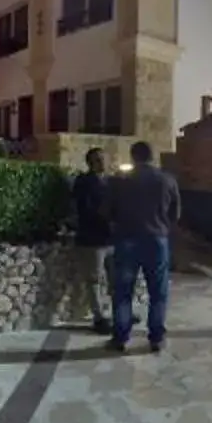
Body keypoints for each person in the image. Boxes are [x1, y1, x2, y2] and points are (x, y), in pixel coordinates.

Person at [107, 139, 181, 352]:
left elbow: (108, 211)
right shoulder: (167, 180)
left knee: (123, 291)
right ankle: (156, 337)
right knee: (158, 291)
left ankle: (121, 336)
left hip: (127, 239)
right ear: (152, 157)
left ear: (133, 157)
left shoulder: (120, 181)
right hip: (157, 240)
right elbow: (175, 214)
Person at [66, 147, 113, 334]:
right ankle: (99, 317)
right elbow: (85, 210)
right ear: (90, 163)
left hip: (111, 239)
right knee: (94, 279)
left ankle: (119, 313)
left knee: (115, 279)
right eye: (98, 159)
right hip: (93, 238)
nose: (102, 162)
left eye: (103, 158)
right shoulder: (84, 182)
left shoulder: (109, 181)